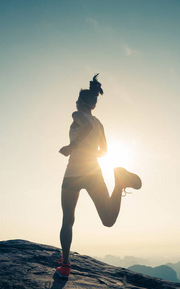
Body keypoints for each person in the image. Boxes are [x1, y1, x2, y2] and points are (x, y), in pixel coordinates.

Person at [56, 74, 142, 278]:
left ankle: (65, 265)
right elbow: (104, 152)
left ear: (80, 103)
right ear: (93, 105)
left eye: (77, 102)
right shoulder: (99, 124)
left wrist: (72, 147)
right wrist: (87, 152)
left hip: (73, 173)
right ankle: (119, 184)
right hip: (93, 171)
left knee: (68, 220)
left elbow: (84, 128)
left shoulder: (77, 115)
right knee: (108, 219)